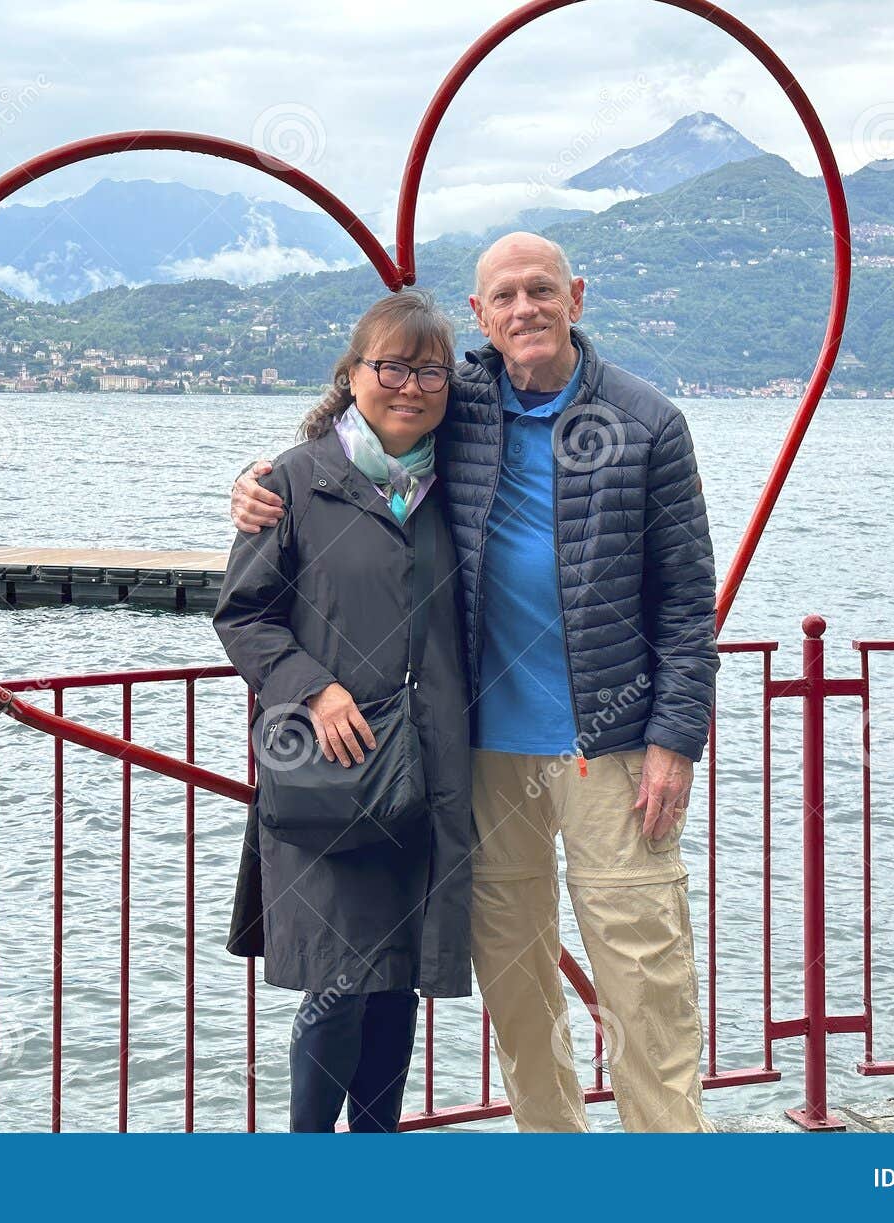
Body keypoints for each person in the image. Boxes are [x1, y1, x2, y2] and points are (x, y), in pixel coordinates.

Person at [230, 232, 720, 1132]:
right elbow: (362, 430)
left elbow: (689, 598)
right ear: (480, 317)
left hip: (610, 750)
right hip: (482, 754)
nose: (525, 308)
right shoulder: (464, 401)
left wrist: (675, 739)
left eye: (542, 290)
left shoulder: (647, 420)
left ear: (576, 296)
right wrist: (261, 484)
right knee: (516, 981)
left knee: (644, 975)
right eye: (505, 296)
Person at [213, 289, 473, 1133]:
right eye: (390, 365)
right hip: (334, 774)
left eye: (429, 369)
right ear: (352, 374)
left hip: (429, 773)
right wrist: (313, 686)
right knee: (337, 982)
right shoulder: (293, 481)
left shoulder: (460, 481)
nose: (410, 384)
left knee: (397, 981)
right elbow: (243, 615)